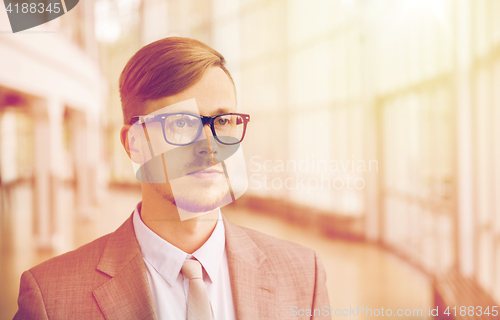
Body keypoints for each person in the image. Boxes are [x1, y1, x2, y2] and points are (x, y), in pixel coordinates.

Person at [14, 37, 331, 320]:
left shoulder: (305, 275)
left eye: (223, 121)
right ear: (135, 143)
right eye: (181, 123)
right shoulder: (51, 298)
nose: (210, 145)